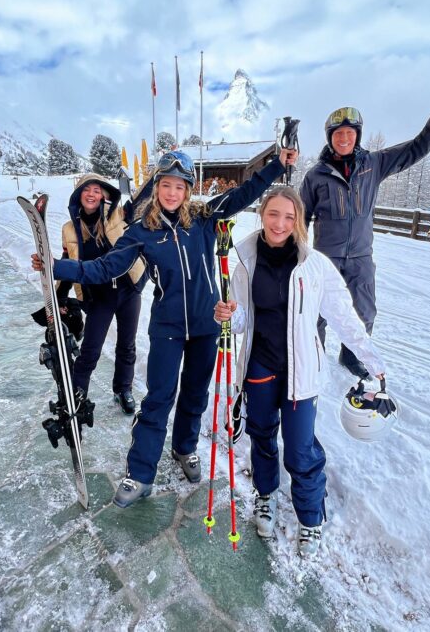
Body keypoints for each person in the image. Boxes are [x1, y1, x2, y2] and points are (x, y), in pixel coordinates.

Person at [32, 149, 292, 507]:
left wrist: (277, 165)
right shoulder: (142, 231)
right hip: (167, 327)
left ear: (188, 189)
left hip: (206, 324)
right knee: (158, 399)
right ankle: (140, 473)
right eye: (165, 185)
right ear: (156, 188)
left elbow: (244, 193)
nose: (172, 193)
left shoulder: (204, 217)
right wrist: (57, 267)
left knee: (195, 396)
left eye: (179, 186)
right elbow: (105, 268)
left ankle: (184, 449)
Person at [214, 187, 386, 557]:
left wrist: (374, 363)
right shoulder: (243, 256)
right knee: (261, 437)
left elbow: (344, 318)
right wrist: (230, 314)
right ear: (262, 214)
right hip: (259, 365)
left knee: (300, 448)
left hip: (302, 371)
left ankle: (310, 517)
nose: (280, 224)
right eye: (273, 214)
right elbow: (244, 318)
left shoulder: (315, 265)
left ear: (299, 221)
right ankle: (266, 496)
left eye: (289, 217)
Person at [300, 76, 430, 379]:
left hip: (360, 257)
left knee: (364, 312)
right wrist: (299, 256)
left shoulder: (375, 164)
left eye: (349, 132)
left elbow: (418, 147)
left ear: (357, 136)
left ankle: (351, 354)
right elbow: (301, 219)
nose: (344, 138)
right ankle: (314, 353)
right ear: (329, 137)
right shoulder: (315, 176)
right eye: (338, 133)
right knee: (317, 311)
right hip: (326, 258)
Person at [55, 174, 151, 415]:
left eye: (97, 190)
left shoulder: (118, 216)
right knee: (91, 349)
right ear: (78, 195)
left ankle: (123, 389)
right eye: (86, 189)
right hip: (99, 296)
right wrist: (59, 298)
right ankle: (77, 394)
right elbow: (69, 262)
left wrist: (160, 171)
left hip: (128, 290)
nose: (91, 194)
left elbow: (143, 199)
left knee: (127, 345)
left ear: (104, 196)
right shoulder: (69, 228)